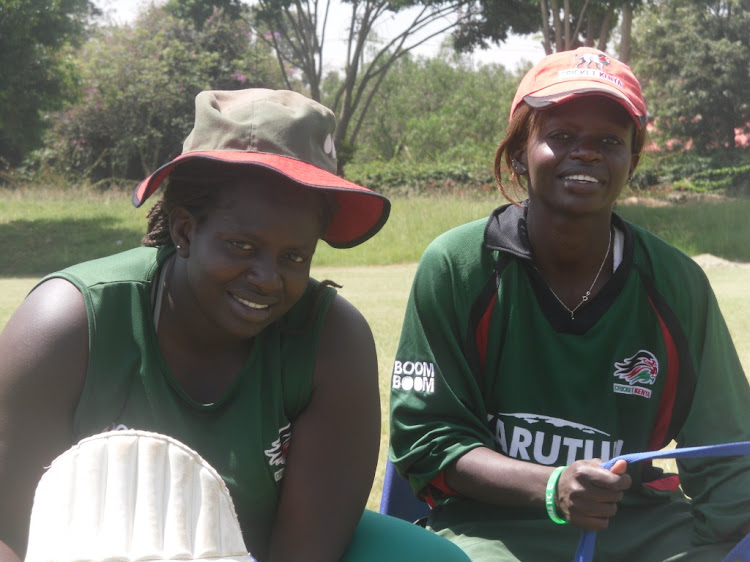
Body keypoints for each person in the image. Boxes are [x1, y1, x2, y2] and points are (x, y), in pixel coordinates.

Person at [0, 88, 470, 562]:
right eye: (242, 246)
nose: (268, 279)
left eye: (294, 256)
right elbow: (11, 534)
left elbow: (304, 551)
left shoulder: (332, 342)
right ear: (184, 229)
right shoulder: (68, 325)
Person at [388, 47, 750, 561]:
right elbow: (424, 439)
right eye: (560, 137)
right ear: (519, 153)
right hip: (490, 526)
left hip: (635, 525)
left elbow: (727, 454)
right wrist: (552, 487)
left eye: (609, 141)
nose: (587, 153)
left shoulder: (676, 283)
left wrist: (729, 546)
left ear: (631, 160)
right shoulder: (457, 265)